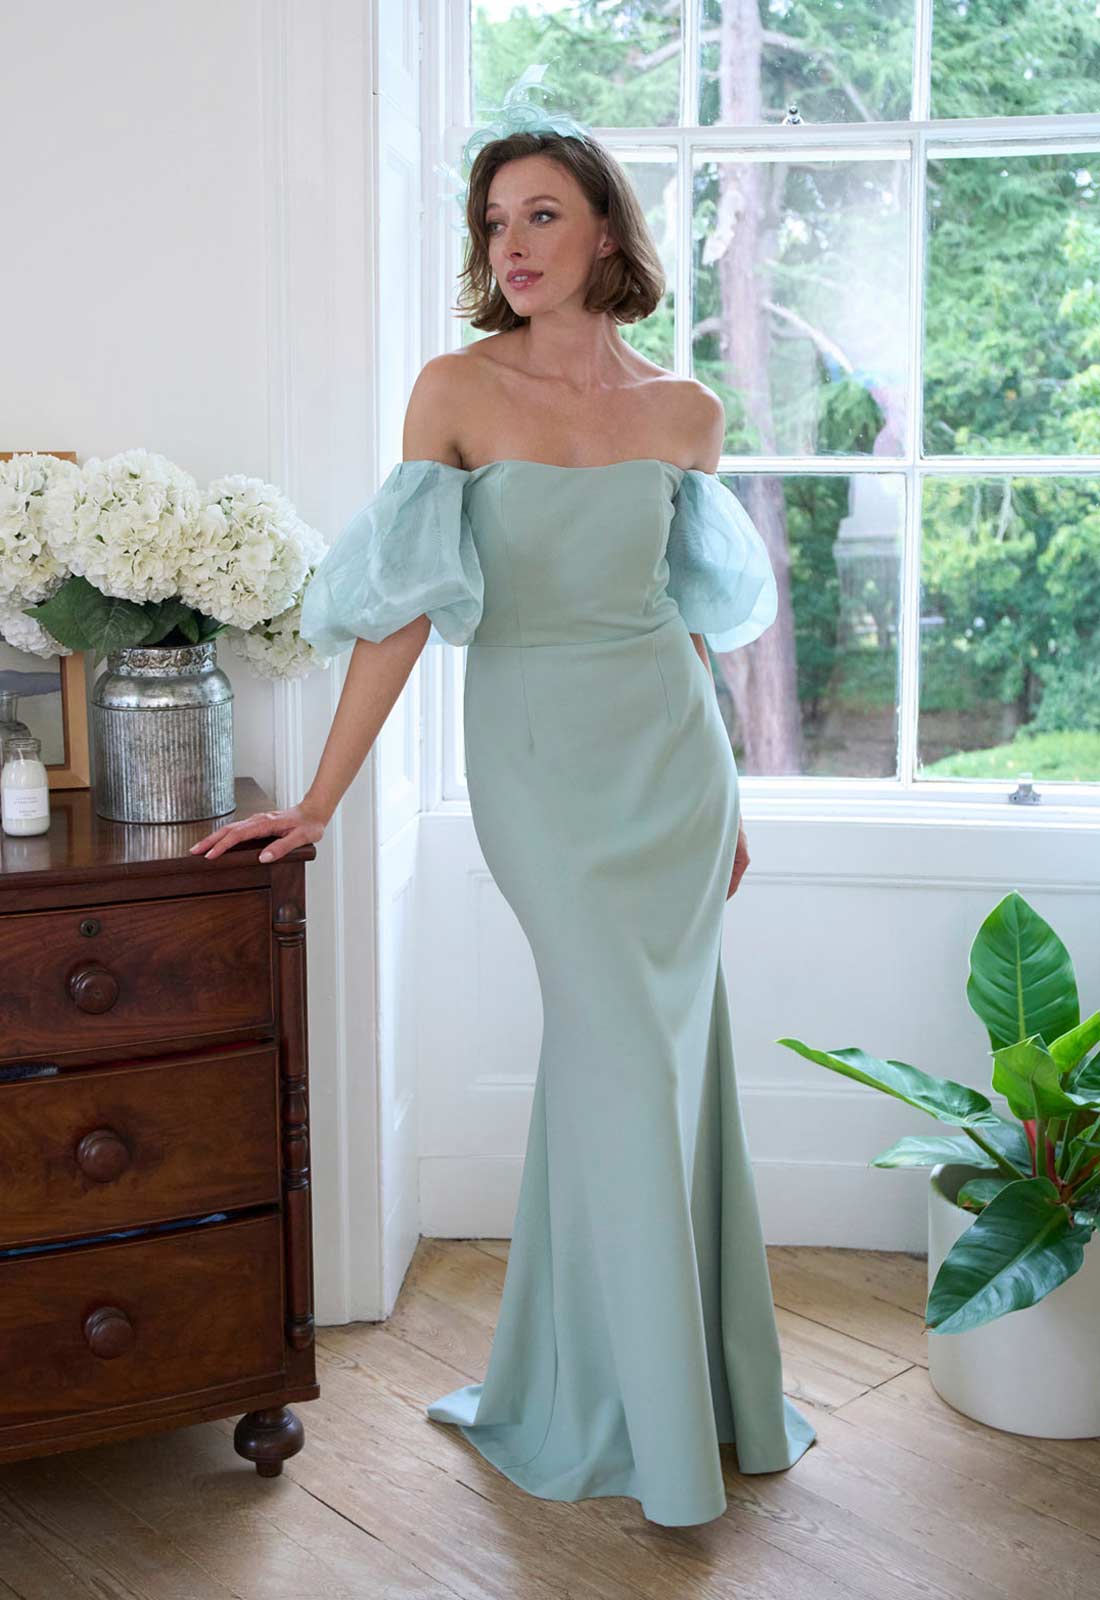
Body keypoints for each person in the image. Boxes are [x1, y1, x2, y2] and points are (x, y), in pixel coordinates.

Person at [189, 99, 817, 1526]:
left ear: (606, 228)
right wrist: (320, 798)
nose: (512, 243)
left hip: (671, 760)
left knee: (661, 1066)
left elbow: (693, 618)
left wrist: (727, 792)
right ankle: (641, 1417)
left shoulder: (687, 411)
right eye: (493, 221)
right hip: (537, 759)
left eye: (540, 214)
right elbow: (401, 619)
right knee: (616, 1055)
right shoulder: (455, 391)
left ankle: (677, 1385)